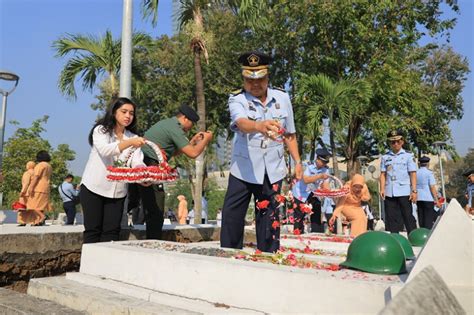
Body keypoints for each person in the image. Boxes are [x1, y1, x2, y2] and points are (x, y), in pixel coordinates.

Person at [220, 51, 303, 253]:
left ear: (267, 77)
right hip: (244, 168)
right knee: (233, 215)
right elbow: (240, 122)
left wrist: (298, 161)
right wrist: (259, 125)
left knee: (270, 217)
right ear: (244, 79)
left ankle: (269, 256)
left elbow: (289, 134)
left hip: (273, 168)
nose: (255, 84)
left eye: (260, 79)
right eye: (249, 80)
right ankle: (228, 256)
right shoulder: (237, 99)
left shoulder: (282, 98)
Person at [138, 104, 213, 239]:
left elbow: (176, 151)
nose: (191, 127)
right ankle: (153, 242)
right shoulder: (175, 129)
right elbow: (193, 153)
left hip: (145, 162)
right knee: (156, 207)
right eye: (192, 123)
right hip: (150, 164)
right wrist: (206, 140)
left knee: (144, 203)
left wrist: (193, 141)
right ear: (185, 119)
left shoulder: (168, 124)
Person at [80, 97, 147, 243]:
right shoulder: (101, 131)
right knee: (92, 232)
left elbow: (137, 162)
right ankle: (89, 265)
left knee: (111, 233)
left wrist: (143, 176)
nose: (128, 116)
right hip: (94, 188)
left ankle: (105, 265)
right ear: (114, 112)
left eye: (131, 113)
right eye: (124, 111)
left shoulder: (133, 137)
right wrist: (129, 143)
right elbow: (106, 150)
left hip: (117, 193)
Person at [380, 130, 417, 234]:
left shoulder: (408, 156)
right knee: (391, 217)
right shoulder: (385, 157)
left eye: (398, 141)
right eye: (393, 142)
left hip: (404, 190)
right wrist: (382, 189)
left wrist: (414, 190)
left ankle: (413, 236)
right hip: (389, 190)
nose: (395, 144)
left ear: (402, 142)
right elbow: (383, 174)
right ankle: (394, 238)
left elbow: (413, 173)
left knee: (407, 215)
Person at [291, 148, 331, 233]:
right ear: (318, 159)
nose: (324, 164)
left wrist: (328, 191)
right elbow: (305, 180)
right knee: (299, 216)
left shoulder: (326, 169)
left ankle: (316, 232)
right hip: (300, 193)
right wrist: (319, 176)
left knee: (316, 208)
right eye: (323, 162)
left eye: (326, 163)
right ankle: (298, 233)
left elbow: (326, 185)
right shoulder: (307, 165)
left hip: (313, 193)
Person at [26, 151, 53, 226]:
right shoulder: (49, 166)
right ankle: (38, 221)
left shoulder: (40, 165)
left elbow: (36, 177)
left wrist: (31, 187)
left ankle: (42, 216)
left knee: (31, 205)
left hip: (38, 187)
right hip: (46, 187)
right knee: (40, 205)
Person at [416, 156, 441, 229]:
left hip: (419, 198)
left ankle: (421, 231)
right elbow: (432, 187)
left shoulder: (416, 172)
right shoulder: (429, 173)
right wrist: (437, 200)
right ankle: (427, 234)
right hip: (428, 198)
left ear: (420, 164)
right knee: (428, 219)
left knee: (421, 217)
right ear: (428, 164)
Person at [17, 161, 35, 226]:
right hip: (33, 193)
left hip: (26, 193)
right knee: (32, 208)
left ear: (28, 166)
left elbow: (26, 183)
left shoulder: (27, 173)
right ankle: (33, 221)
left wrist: (22, 192)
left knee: (22, 208)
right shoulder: (36, 173)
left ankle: (22, 221)